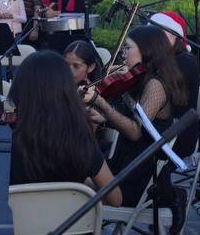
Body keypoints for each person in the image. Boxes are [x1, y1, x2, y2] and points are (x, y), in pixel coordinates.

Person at [82, 25, 187, 206]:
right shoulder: (140, 79)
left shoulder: (156, 84)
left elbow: (135, 131)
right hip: (126, 161)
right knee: (77, 175)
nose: (123, 54)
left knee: (78, 185)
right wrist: (105, 120)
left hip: (140, 174)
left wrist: (100, 102)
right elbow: (131, 121)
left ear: (147, 50)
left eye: (128, 48)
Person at [8, 51, 122, 206]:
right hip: (72, 228)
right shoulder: (80, 141)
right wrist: (82, 190)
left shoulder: (9, 142)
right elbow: (115, 199)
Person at [148, 10, 200, 158]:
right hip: (158, 129)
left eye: (159, 34)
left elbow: (161, 90)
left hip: (177, 134)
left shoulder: (186, 61)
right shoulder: (156, 60)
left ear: (175, 36)